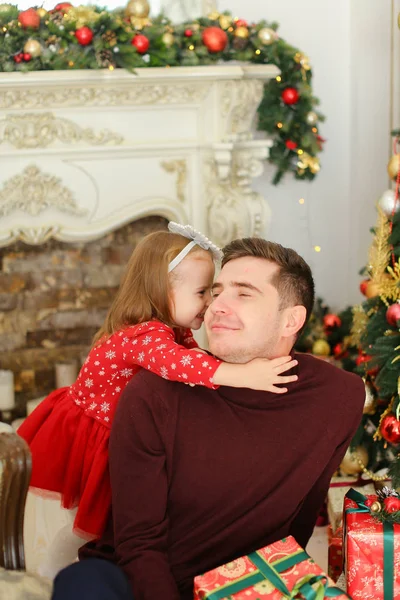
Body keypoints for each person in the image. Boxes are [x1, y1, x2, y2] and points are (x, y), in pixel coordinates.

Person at [52, 237, 365, 600]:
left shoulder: (338, 396)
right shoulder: (154, 393)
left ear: (291, 319)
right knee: (81, 587)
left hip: (244, 583)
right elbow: (139, 545)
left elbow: (297, 523)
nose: (216, 307)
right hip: (140, 578)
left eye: (243, 294)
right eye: (215, 292)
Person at [18, 225, 298, 570]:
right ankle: (55, 574)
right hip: (95, 434)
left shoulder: (175, 332)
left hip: (119, 429)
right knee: (90, 525)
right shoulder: (145, 334)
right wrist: (244, 375)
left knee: (112, 518)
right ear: (164, 292)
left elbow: (198, 364)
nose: (210, 303)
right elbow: (181, 365)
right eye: (202, 292)